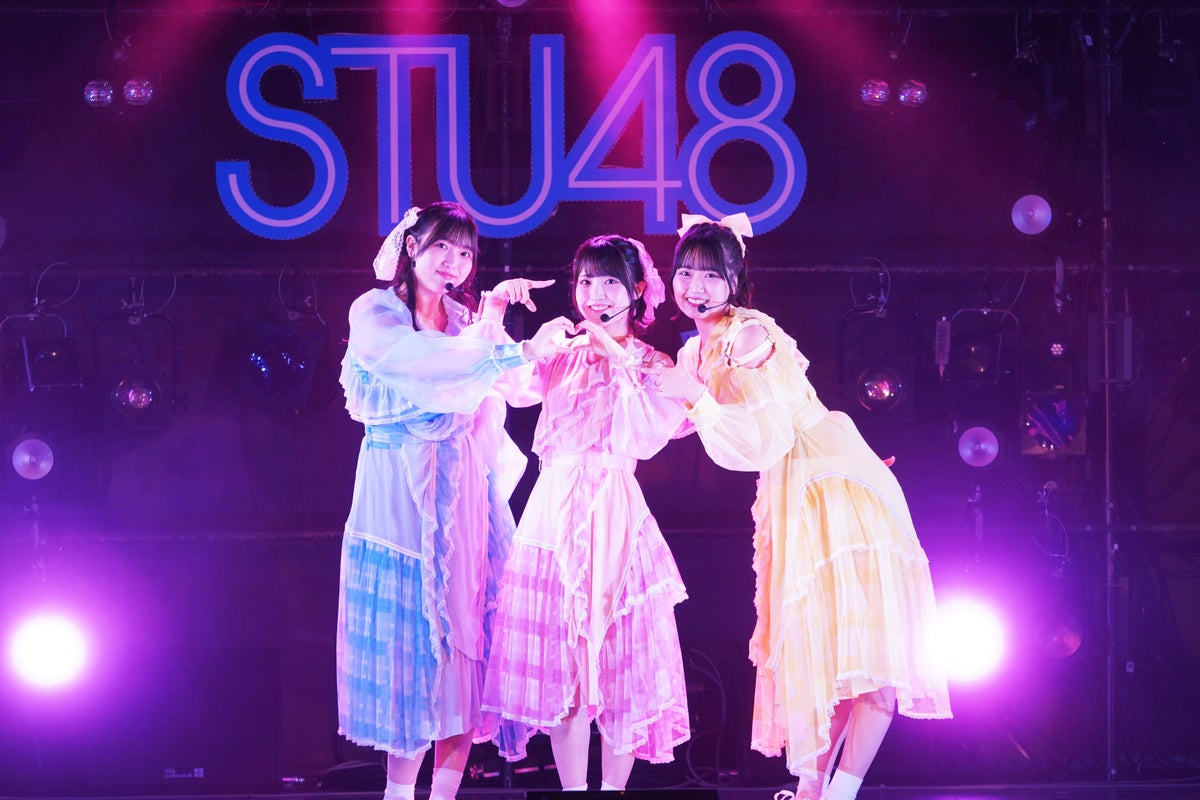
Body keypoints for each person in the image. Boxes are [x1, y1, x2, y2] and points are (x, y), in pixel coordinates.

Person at [649, 214, 952, 800]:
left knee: (868, 659)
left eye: (711, 276)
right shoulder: (697, 353)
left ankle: (837, 793)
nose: (695, 288)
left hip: (829, 484)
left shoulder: (749, 335)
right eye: (686, 273)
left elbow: (765, 439)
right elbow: (667, 426)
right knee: (821, 656)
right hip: (796, 488)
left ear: (736, 281)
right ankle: (813, 792)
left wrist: (699, 403)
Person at [336, 201, 571, 800]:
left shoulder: (467, 320)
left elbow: (516, 387)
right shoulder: (376, 312)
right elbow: (423, 367)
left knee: (464, 637)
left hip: (463, 487)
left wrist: (505, 327)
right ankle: (397, 794)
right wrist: (510, 350)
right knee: (412, 645)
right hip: (395, 489)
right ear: (412, 247)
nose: (454, 261)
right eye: (442, 246)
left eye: (465, 252)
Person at [481, 234, 692, 791]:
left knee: (621, 670)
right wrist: (496, 312)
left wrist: (620, 359)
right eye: (586, 282)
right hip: (553, 506)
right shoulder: (561, 351)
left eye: (610, 282)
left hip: (615, 505)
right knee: (565, 673)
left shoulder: (651, 363)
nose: (596, 294)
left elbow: (648, 435)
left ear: (637, 290)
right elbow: (508, 384)